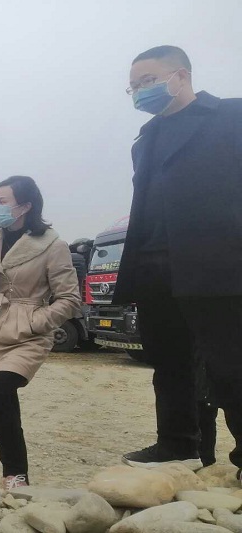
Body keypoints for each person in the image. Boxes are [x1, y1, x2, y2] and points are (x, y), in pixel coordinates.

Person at [114, 45, 242, 474]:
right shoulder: (145, 138)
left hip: (217, 263)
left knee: (230, 364)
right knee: (168, 362)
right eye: (133, 86)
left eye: (148, 81)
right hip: (154, 263)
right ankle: (178, 445)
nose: (139, 91)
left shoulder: (231, 116)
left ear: (181, 76)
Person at [0, 176, 80, 490]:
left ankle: (16, 476)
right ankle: (15, 476)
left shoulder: (52, 245)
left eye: (2, 201)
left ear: (25, 205)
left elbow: (70, 298)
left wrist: (34, 321)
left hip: (27, 334)